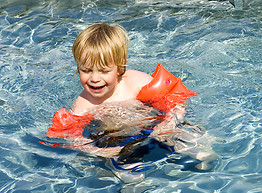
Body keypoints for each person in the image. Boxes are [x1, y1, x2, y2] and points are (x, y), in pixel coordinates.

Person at [50, 23, 217, 181]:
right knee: (123, 167)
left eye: (104, 71)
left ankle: (197, 154)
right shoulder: (83, 105)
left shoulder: (135, 82)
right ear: (78, 68)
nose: (94, 78)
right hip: (120, 140)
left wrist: (169, 123)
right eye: (86, 70)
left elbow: (175, 99)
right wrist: (101, 152)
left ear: (119, 68)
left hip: (155, 126)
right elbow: (74, 140)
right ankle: (135, 183)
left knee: (189, 134)